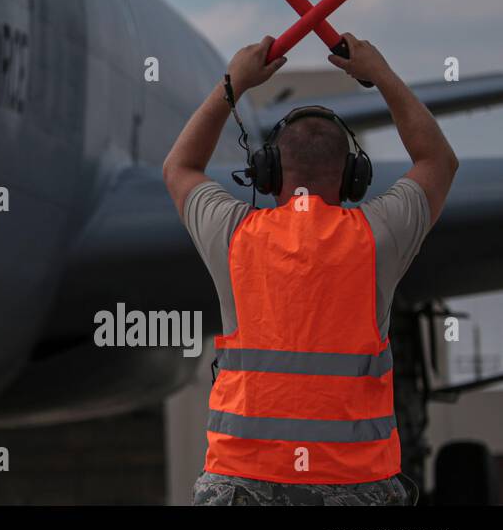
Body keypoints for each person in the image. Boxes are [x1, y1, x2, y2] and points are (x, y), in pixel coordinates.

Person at [162, 33, 458, 505]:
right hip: (356, 487)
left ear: (269, 171)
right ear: (354, 177)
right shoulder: (376, 239)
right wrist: (379, 73)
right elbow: (438, 161)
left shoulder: (235, 236)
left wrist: (232, 83)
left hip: (242, 484)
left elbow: (180, 166)